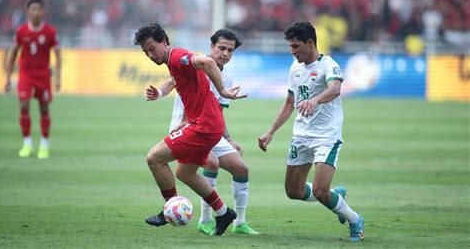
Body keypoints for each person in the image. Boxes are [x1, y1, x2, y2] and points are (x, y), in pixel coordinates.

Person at [134, 23, 247, 236]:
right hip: (208, 125)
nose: (149, 54)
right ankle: (223, 213)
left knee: (154, 158)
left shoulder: (177, 57)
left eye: (152, 48)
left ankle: (170, 208)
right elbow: (176, 81)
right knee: (185, 173)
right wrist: (159, 93)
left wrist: (222, 89)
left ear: (164, 42)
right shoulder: (173, 62)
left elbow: (205, 61)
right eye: (145, 51)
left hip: (203, 125)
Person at [257, 22, 364, 242]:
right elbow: (289, 103)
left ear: (310, 43)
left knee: (320, 191)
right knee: (293, 191)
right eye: (290, 47)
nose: (292, 51)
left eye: (296, 46)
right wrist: (270, 132)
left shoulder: (329, 65)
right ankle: (337, 196)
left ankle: (354, 220)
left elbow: (335, 89)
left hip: (326, 136)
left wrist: (315, 100)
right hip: (301, 136)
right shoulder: (294, 68)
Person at [4, 0, 62, 159]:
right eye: (33, 9)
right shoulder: (21, 31)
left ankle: (44, 145)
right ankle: (27, 144)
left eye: (39, 9)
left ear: (43, 12)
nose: (36, 12)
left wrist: (57, 77)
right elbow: (13, 54)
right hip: (26, 73)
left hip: (43, 74)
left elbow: (58, 55)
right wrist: (8, 77)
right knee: (24, 105)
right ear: (28, 12)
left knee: (44, 108)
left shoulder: (50, 32)